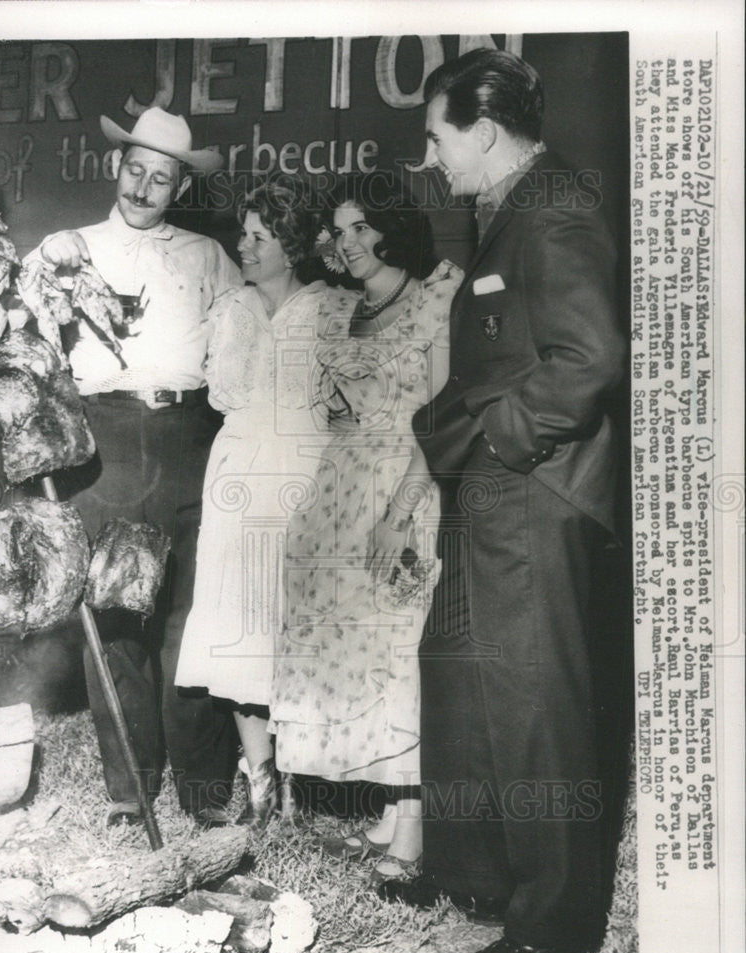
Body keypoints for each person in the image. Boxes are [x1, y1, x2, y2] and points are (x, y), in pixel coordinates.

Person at [377, 49, 626, 953]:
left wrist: (496, 443)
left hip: (532, 492)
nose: (434, 158)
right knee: (473, 682)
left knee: (534, 705)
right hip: (494, 490)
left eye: (438, 137)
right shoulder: (511, 208)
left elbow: (588, 361)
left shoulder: (553, 208)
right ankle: (484, 879)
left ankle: (552, 929)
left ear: (482, 132)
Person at [26, 107, 243, 827]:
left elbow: (248, 343)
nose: (145, 188)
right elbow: (15, 334)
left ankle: (206, 790)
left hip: (189, 434)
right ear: (116, 168)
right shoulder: (67, 249)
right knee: (117, 617)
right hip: (107, 438)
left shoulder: (210, 258)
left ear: (180, 186)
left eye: (163, 178)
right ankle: (130, 790)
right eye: (136, 171)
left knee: (190, 612)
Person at [269, 173, 462, 884]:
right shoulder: (343, 310)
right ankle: (388, 810)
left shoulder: (435, 298)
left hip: (401, 488)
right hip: (339, 489)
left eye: (361, 228)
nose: (347, 243)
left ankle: (413, 831)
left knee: (397, 652)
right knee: (354, 650)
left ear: (391, 227)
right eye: (338, 230)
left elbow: (440, 421)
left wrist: (399, 514)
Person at [175, 175, 328, 827]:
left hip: (300, 479)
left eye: (260, 236)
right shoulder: (231, 309)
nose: (244, 245)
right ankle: (260, 779)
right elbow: (221, 394)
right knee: (239, 630)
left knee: (290, 631)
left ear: (291, 245)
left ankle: (299, 779)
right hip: (239, 479)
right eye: (243, 233)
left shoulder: (327, 309)